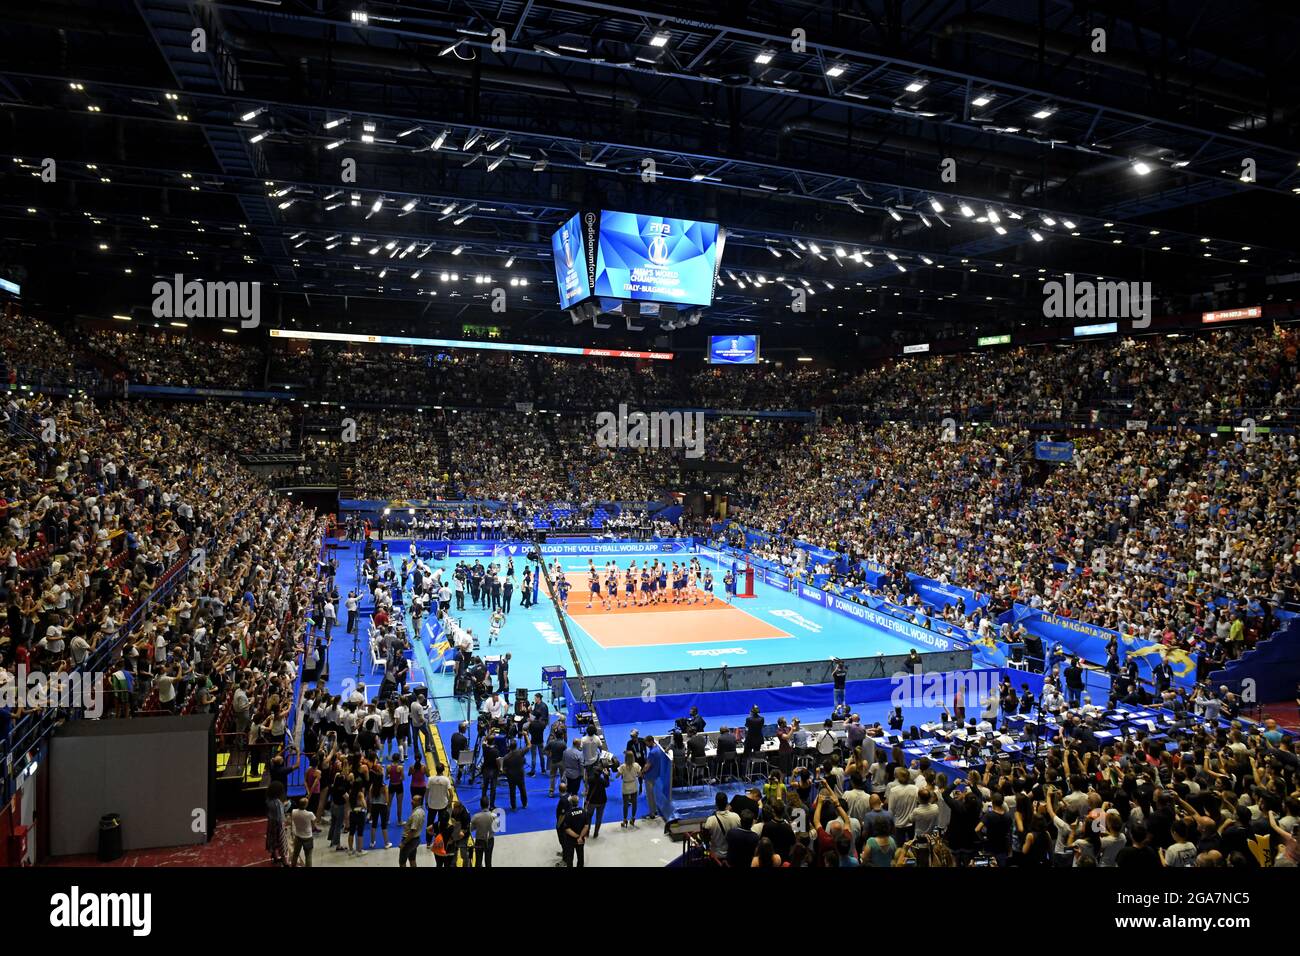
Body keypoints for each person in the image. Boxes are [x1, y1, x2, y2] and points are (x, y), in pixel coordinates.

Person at [702, 792, 740, 865]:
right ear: (727, 803)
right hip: (732, 855)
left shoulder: (711, 820)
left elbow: (706, 838)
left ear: (716, 804)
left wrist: (707, 848)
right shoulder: (736, 816)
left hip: (717, 856)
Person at [559, 794, 590, 868]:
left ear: (570, 803)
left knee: (570, 858)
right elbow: (586, 826)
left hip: (570, 841)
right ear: (578, 802)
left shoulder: (568, 814)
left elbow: (567, 830)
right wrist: (580, 837)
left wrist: (577, 836)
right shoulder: (583, 812)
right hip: (580, 840)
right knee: (580, 857)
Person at [399, 794, 425, 868]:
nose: (411, 801)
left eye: (414, 800)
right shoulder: (421, 811)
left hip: (409, 841)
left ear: (419, 802)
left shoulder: (416, 814)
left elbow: (413, 831)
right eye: (412, 799)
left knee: (402, 862)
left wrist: (403, 843)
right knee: (412, 859)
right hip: (416, 840)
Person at [470, 798, 497, 868]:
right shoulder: (494, 816)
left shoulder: (476, 817)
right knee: (488, 861)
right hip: (490, 840)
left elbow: (471, 829)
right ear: (488, 805)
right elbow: (496, 828)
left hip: (479, 841)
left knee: (478, 861)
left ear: (480, 805)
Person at [289, 798, 316, 868]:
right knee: (308, 856)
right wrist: (312, 828)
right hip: (308, 837)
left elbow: (292, 821)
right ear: (306, 805)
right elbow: (314, 824)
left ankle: (293, 865)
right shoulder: (310, 814)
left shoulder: (294, 811)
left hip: (298, 836)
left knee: (295, 854)